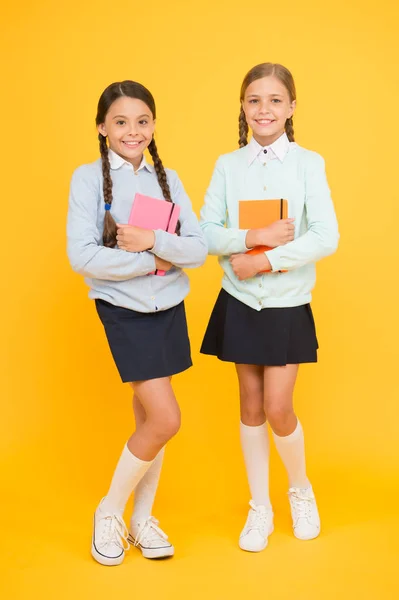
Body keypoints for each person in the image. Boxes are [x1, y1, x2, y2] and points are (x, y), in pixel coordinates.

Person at [200, 63, 339, 552]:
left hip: (284, 300)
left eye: (275, 100)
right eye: (255, 100)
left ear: (292, 108)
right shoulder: (227, 165)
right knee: (251, 405)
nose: (264, 109)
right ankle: (260, 506)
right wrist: (251, 238)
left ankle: (300, 489)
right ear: (243, 107)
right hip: (239, 301)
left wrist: (268, 261)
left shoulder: (309, 163)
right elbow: (205, 232)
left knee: (280, 407)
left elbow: (326, 235)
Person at [67, 80, 207, 565]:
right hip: (124, 311)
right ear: (103, 126)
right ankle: (108, 511)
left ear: (153, 125)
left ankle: (142, 519)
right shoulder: (87, 179)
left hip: (168, 308)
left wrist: (153, 240)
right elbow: (82, 256)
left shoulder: (168, 179)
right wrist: (154, 259)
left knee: (150, 418)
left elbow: (198, 249)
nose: (133, 131)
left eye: (142, 121)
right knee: (167, 418)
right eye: (121, 121)